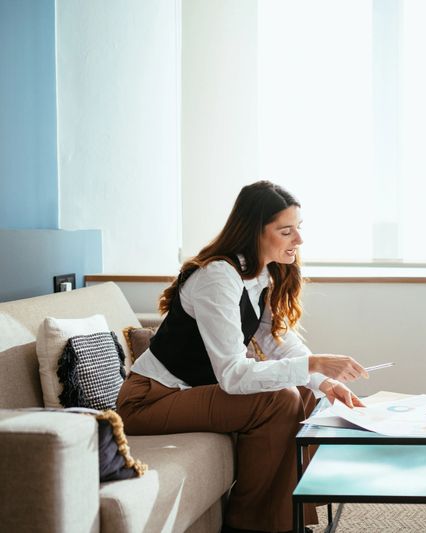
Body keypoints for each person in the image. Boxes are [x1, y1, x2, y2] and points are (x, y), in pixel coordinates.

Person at [117, 180, 368, 533]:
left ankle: (288, 520)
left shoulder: (259, 275)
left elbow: (277, 340)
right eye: (286, 231)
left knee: (309, 392)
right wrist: (313, 365)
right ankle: (248, 526)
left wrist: (325, 381)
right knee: (279, 398)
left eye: (299, 229)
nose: (299, 240)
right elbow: (233, 376)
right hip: (148, 401)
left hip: (187, 394)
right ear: (255, 232)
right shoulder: (218, 277)